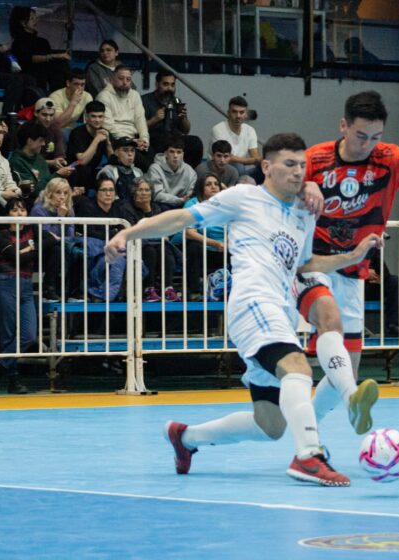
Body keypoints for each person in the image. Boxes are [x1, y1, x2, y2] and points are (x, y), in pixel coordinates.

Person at [105, 133, 383, 486]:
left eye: (302, 165)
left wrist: (352, 257)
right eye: (289, 164)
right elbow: (181, 219)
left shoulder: (303, 215)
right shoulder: (243, 198)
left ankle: (185, 438)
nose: (298, 172)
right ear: (266, 166)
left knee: (271, 425)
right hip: (252, 302)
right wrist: (129, 235)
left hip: (278, 311)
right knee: (297, 368)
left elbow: (303, 264)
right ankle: (309, 456)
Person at [297, 90, 399, 428]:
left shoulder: (389, 158)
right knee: (330, 323)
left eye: (375, 137)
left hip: (353, 271)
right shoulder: (315, 158)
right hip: (313, 264)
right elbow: (275, 185)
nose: (367, 144)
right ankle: (349, 398)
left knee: (347, 369)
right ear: (343, 126)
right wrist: (303, 188)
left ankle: (307, 424)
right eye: (360, 136)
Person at [0, 198, 33, 395]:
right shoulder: (1, 236)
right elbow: (18, 257)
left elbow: (49, 242)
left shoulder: (32, 231)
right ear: (7, 215)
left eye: (22, 210)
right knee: (8, 333)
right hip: (6, 283)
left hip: (26, 285)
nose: (19, 214)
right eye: (14, 210)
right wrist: (29, 249)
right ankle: (12, 380)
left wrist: (27, 249)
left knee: (29, 334)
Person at [115, 177, 180, 302]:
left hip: (154, 242)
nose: (144, 193)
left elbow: (161, 228)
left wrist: (148, 210)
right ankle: (148, 289)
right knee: (150, 250)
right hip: (133, 246)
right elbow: (133, 231)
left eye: (147, 190)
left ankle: (168, 288)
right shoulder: (125, 207)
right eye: (140, 190)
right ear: (134, 193)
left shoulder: (156, 208)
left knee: (164, 248)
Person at [170, 172, 226, 301]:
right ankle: (194, 291)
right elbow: (190, 233)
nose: (213, 187)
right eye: (208, 184)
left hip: (217, 248)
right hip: (190, 244)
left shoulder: (225, 206)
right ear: (201, 188)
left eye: (216, 184)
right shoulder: (193, 204)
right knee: (195, 247)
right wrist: (215, 243)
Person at [74, 177, 127, 302]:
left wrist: (108, 234)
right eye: (104, 190)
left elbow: (122, 232)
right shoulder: (87, 207)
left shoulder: (119, 209)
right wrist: (112, 233)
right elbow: (90, 232)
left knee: (118, 261)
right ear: (97, 193)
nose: (108, 193)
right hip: (94, 248)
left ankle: (99, 294)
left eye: (111, 190)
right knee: (110, 260)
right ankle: (105, 295)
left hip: (113, 250)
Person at [141, 70, 203, 167]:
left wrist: (183, 118)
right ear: (157, 84)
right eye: (165, 84)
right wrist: (154, 119)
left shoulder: (176, 101)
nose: (169, 88)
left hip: (174, 138)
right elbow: (138, 129)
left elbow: (186, 130)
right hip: (154, 138)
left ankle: (188, 173)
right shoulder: (145, 100)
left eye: (172, 85)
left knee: (195, 142)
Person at [30, 177, 78, 301]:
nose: (62, 197)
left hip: (61, 247)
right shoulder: (39, 209)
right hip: (40, 250)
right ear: (50, 193)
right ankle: (49, 287)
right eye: (58, 192)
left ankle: (74, 291)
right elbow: (49, 236)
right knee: (57, 248)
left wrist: (63, 218)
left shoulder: (69, 210)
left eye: (65, 193)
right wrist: (60, 217)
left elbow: (70, 236)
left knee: (78, 251)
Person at [97, 65, 151, 170]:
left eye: (128, 79)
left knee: (152, 159)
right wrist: (131, 141)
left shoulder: (135, 95)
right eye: (121, 78)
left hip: (134, 138)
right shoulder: (104, 96)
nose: (125, 82)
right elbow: (108, 126)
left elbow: (140, 120)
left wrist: (144, 139)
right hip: (115, 138)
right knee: (145, 165)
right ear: (112, 79)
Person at [9, 6, 71, 92]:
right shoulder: (18, 42)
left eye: (36, 18)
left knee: (61, 66)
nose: (36, 21)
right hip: (29, 77)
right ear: (23, 23)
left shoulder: (43, 42)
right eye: (32, 18)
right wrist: (53, 56)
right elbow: (27, 59)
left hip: (44, 77)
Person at [9, 121, 73, 201]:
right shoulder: (16, 162)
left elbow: (45, 182)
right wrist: (58, 174)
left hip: (50, 199)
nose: (43, 144)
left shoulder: (39, 158)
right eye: (41, 140)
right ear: (29, 141)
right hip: (33, 202)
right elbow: (35, 191)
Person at [66, 100, 112, 194]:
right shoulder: (77, 133)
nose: (97, 120)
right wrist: (96, 140)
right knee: (84, 169)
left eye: (100, 116)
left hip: (93, 170)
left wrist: (108, 142)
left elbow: (112, 160)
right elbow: (82, 161)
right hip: (74, 169)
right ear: (86, 117)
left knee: (109, 171)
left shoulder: (104, 132)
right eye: (93, 116)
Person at [209, 96, 260, 178]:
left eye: (241, 112)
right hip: (219, 170)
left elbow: (255, 157)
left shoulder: (250, 130)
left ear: (246, 114)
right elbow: (227, 158)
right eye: (234, 112)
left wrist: (258, 161)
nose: (238, 116)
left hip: (242, 170)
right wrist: (254, 160)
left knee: (264, 168)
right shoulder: (218, 129)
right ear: (228, 113)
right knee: (237, 167)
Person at [145, 135, 197, 208]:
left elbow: (189, 196)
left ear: (183, 154)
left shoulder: (190, 172)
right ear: (165, 153)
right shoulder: (155, 169)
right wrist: (178, 200)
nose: (175, 156)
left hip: (183, 206)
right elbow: (157, 195)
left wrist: (183, 200)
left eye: (179, 152)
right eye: (172, 152)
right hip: (160, 205)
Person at [98, 135, 142, 200]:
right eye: (125, 150)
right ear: (116, 153)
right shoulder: (107, 171)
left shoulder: (138, 172)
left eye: (132, 150)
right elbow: (107, 198)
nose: (130, 154)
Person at [32, 97, 67, 169]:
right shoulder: (27, 129)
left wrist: (60, 161)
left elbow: (59, 154)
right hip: (32, 166)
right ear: (36, 113)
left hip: (51, 166)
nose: (48, 119)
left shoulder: (56, 129)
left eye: (51, 115)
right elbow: (27, 159)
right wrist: (51, 162)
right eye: (44, 115)